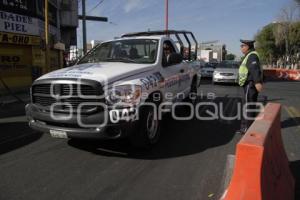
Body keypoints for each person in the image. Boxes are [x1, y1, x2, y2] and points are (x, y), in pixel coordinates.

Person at [236, 39, 263, 134]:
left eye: (242, 45)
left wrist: (257, 82)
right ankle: (248, 126)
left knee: (248, 106)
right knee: (249, 106)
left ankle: (246, 128)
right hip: (248, 85)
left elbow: (254, 69)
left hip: (250, 85)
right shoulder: (249, 55)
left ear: (248, 46)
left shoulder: (252, 56)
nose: (241, 47)